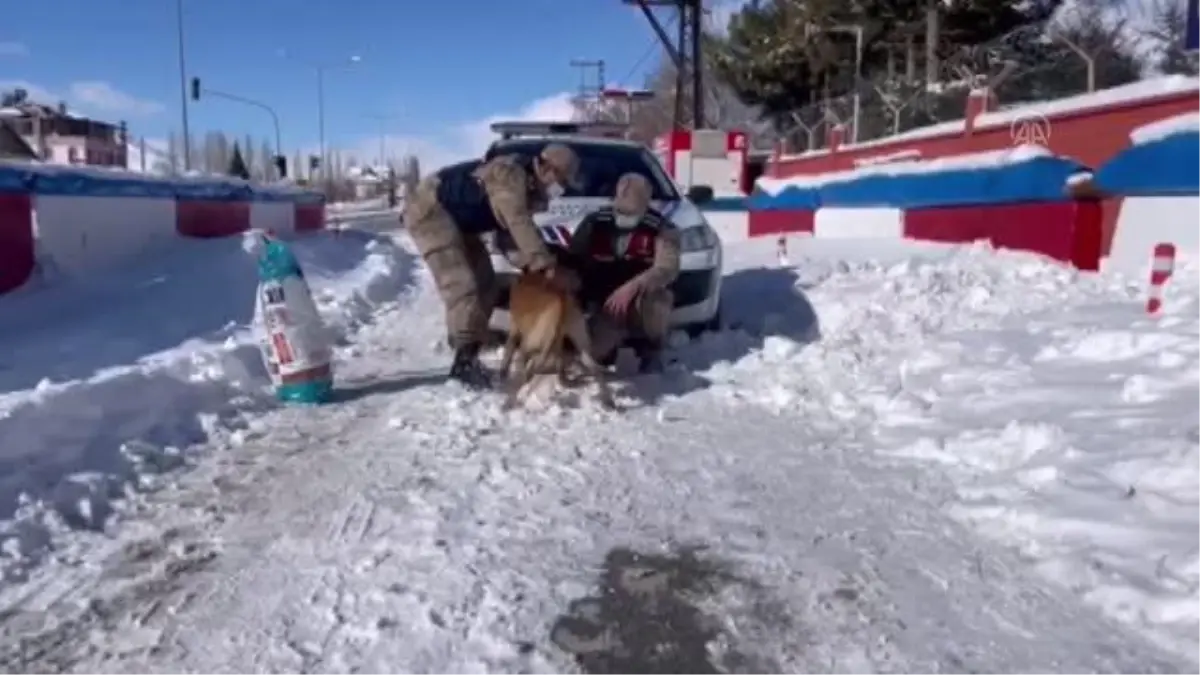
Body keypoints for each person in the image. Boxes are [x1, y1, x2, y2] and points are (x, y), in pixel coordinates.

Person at [403, 143, 582, 389]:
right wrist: (545, 265)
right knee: (462, 285)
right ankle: (463, 365)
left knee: (485, 282)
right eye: (560, 179)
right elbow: (518, 224)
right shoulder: (510, 175)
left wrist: (537, 264)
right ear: (547, 168)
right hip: (430, 211)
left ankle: (471, 345)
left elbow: (510, 237)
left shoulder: (531, 190)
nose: (559, 188)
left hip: (461, 223)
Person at [568, 172, 681, 373]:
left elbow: (667, 268)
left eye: (631, 213)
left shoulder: (663, 228)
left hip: (640, 297)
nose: (625, 217)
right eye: (621, 210)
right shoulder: (594, 223)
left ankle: (650, 349)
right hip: (604, 301)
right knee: (594, 350)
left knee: (659, 300)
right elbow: (573, 259)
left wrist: (633, 287)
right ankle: (605, 348)